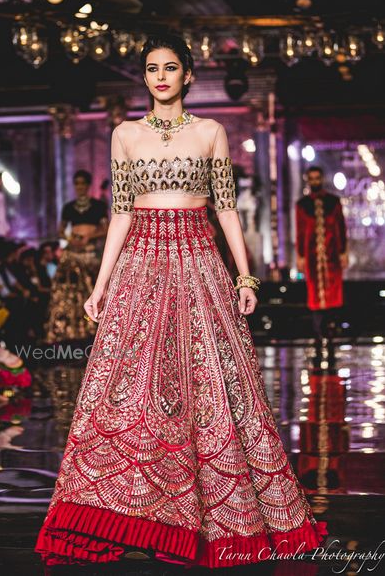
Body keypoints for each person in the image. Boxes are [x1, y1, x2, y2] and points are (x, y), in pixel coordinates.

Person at [35, 34, 328, 570]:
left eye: (171, 67)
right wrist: (100, 286)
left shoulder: (211, 132)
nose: (161, 76)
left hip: (198, 262)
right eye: (152, 69)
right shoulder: (124, 135)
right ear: (144, 77)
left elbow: (226, 210)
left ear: (188, 75)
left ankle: (211, 518)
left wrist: (245, 277)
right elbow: (121, 213)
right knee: (130, 392)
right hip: (140, 265)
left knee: (212, 388)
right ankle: (136, 511)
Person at [44, 170, 109, 343]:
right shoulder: (68, 207)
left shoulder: (98, 206)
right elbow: (60, 230)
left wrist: (89, 237)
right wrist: (70, 238)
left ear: (88, 185)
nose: (80, 187)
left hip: (90, 253)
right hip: (72, 252)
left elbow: (106, 228)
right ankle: (70, 332)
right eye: (77, 183)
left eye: (83, 183)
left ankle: (92, 329)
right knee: (68, 292)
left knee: (90, 287)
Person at [296, 166, 348, 344]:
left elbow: (341, 227)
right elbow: (300, 232)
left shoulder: (333, 202)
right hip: (312, 256)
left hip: (332, 254)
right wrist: (300, 255)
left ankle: (332, 330)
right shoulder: (302, 205)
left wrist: (343, 252)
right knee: (315, 292)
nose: (315, 181)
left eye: (317, 178)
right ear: (308, 180)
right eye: (312, 178)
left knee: (333, 289)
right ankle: (318, 333)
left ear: (322, 178)